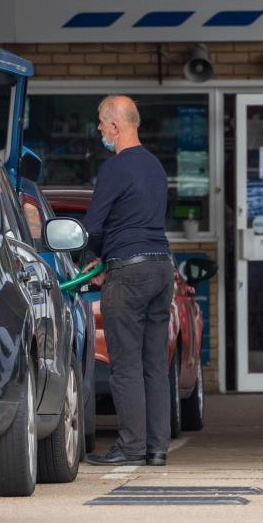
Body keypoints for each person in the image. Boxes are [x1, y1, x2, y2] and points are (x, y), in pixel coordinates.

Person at [81, 95, 174, 467]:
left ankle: (131, 448)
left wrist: (92, 258)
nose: (100, 130)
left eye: (102, 123)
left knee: (126, 365)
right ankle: (157, 449)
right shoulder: (155, 167)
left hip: (129, 271)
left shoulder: (115, 168)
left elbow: (92, 227)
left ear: (116, 126)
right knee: (154, 363)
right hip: (162, 267)